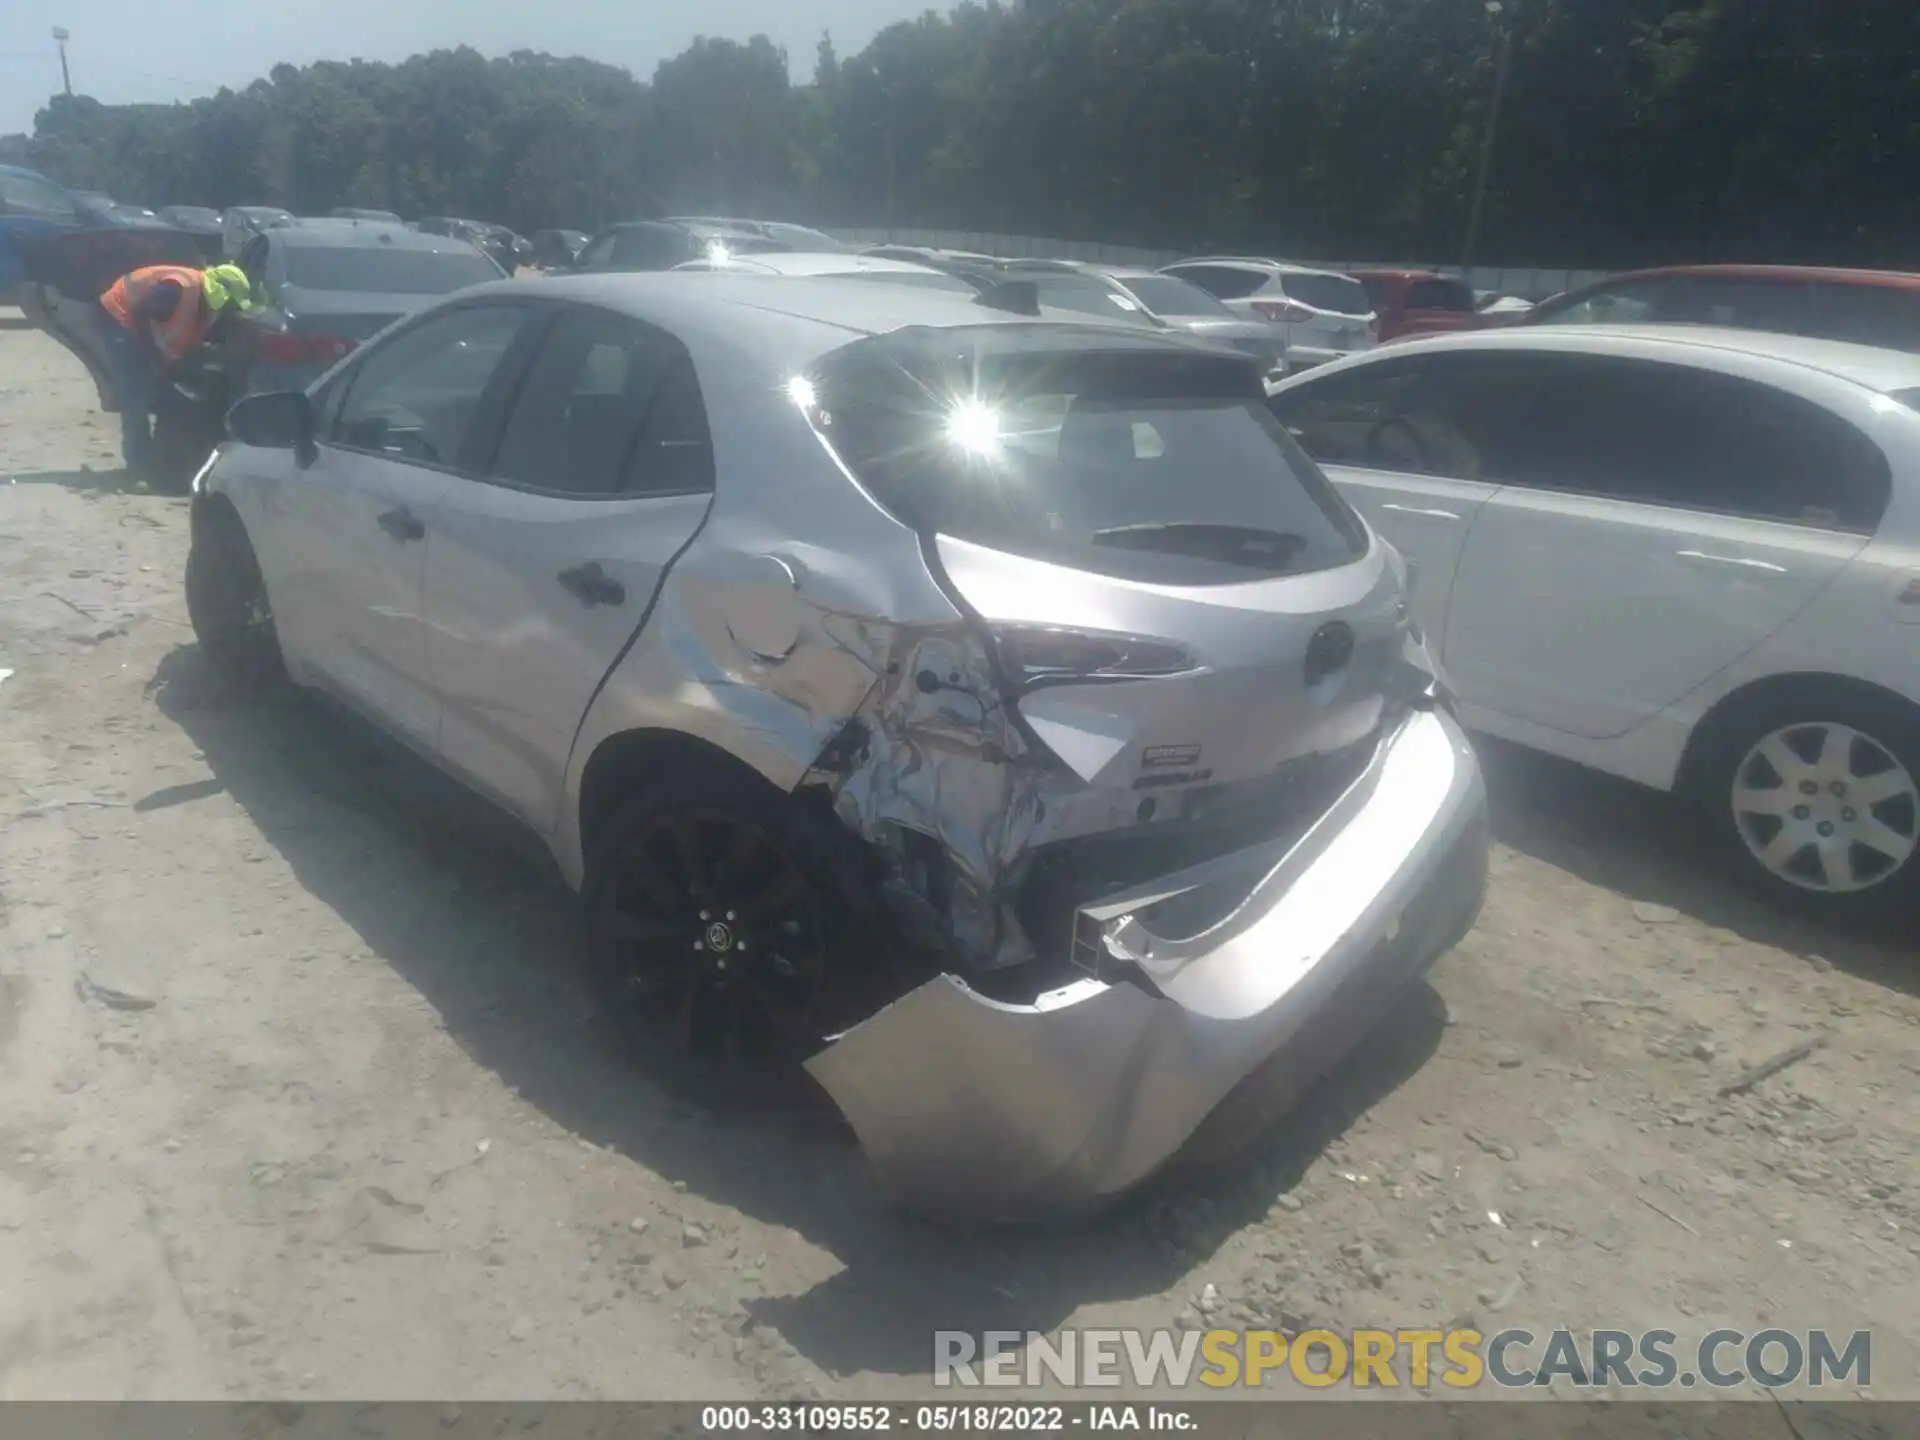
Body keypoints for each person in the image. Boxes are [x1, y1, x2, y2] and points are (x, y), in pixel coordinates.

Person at [93, 261, 257, 475]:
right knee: (134, 396)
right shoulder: (180, 288)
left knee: (150, 388)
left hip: (140, 328)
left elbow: (184, 335)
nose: (230, 312)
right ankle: (139, 465)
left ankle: (153, 458)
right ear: (219, 293)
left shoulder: (206, 306)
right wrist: (154, 358)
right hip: (118, 316)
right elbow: (140, 312)